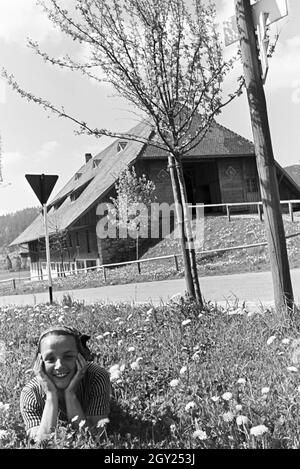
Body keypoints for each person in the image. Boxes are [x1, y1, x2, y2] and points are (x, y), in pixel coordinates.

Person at [20, 325, 111, 443]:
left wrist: (70, 394)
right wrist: (51, 395)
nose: (59, 366)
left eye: (68, 356)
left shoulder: (96, 377)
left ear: (81, 357)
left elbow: (96, 439)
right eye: (50, 359)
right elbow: (40, 444)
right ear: (40, 363)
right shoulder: (31, 393)